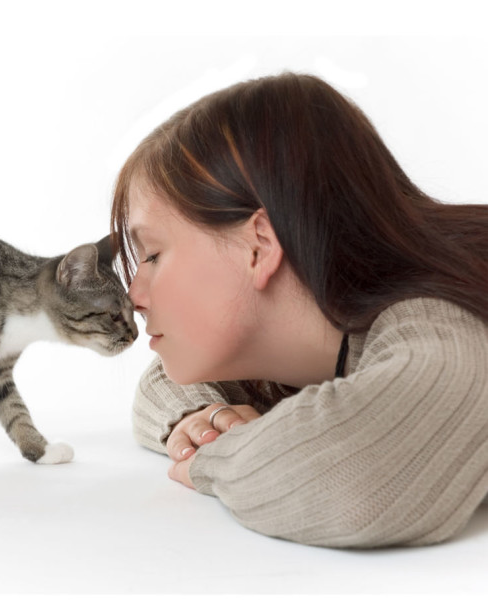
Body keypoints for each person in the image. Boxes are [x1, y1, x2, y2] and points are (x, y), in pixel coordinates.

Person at [110, 72, 488, 549]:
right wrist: (205, 417)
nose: (134, 296)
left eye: (153, 256)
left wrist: (215, 456)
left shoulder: (443, 321)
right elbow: (164, 380)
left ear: (258, 247)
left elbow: (359, 477)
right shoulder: (331, 333)